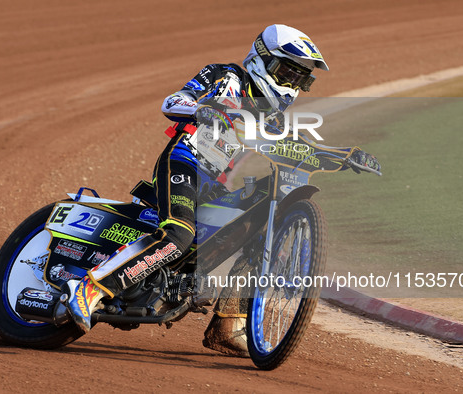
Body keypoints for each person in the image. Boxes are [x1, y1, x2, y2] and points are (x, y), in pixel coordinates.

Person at [64, 24, 380, 355]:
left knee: (259, 224)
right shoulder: (226, 76)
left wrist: (344, 156)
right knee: (179, 235)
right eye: (286, 72)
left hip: (211, 187)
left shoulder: (269, 116)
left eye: (300, 79)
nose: (291, 84)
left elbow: (294, 146)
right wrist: (203, 109)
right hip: (184, 162)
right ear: (262, 59)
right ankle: (90, 287)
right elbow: (173, 102)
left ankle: (229, 322)